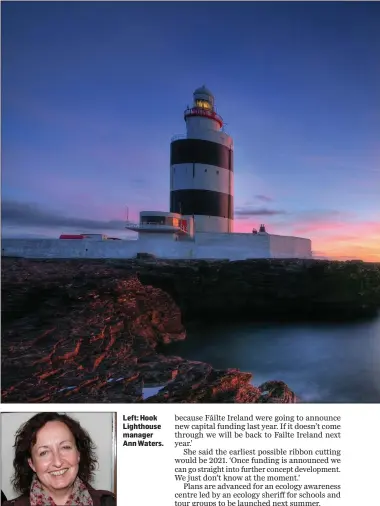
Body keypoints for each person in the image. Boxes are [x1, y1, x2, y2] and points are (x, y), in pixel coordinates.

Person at [3, 413, 116, 506]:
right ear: (32, 463)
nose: (57, 462)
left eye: (65, 447)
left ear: (78, 453)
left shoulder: (110, 502)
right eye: (44, 453)